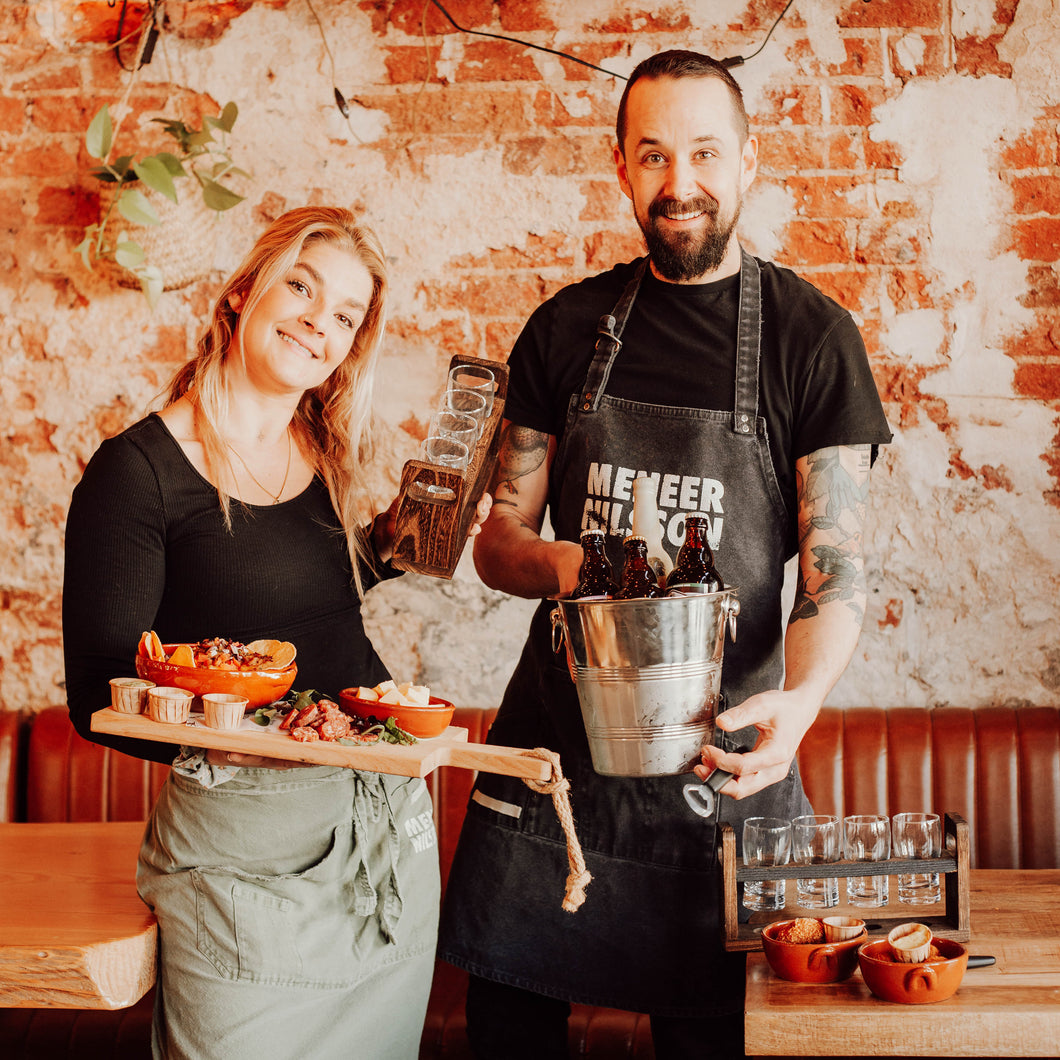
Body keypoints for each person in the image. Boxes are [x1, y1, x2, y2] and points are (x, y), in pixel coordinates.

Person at [437, 51, 892, 1059]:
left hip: (724, 769)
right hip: (556, 767)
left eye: (702, 152)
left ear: (747, 164)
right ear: (620, 170)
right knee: (506, 1033)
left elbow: (837, 574)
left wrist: (801, 706)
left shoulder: (811, 340)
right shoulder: (562, 330)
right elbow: (499, 540)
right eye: (653, 155)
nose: (678, 181)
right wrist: (571, 566)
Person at [63, 206, 489, 1060]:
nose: (317, 322)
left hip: (381, 830)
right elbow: (98, 692)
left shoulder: (321, 446)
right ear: (242, 293)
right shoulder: (138, 473)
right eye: (301, 286)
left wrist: (395, 543)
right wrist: (260, 740)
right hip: (243, 850)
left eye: (344, 316)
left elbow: (301, 605)